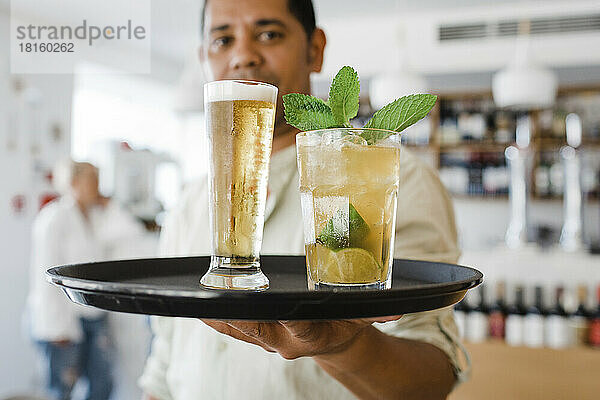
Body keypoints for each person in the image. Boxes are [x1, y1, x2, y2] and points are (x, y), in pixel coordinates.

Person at [139, 0, 468, 399]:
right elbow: (163, 367)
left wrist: (344, 346)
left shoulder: (387, 176)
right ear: (202, 58)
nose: (243, 55)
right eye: (222, 40)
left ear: (315, 49)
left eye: (268, 34)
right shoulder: (190, 203)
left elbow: (431, 380)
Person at [27, 159, 146, 400]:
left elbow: (133, 233)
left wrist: (111, 206)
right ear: (73, 182)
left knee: (102, 384)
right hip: (61, 320)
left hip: (92, 315)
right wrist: (57, 329)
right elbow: (45, 277)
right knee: (62, 389)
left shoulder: (97, 217)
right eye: (92, 179)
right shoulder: (54, 218)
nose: (98, 186)